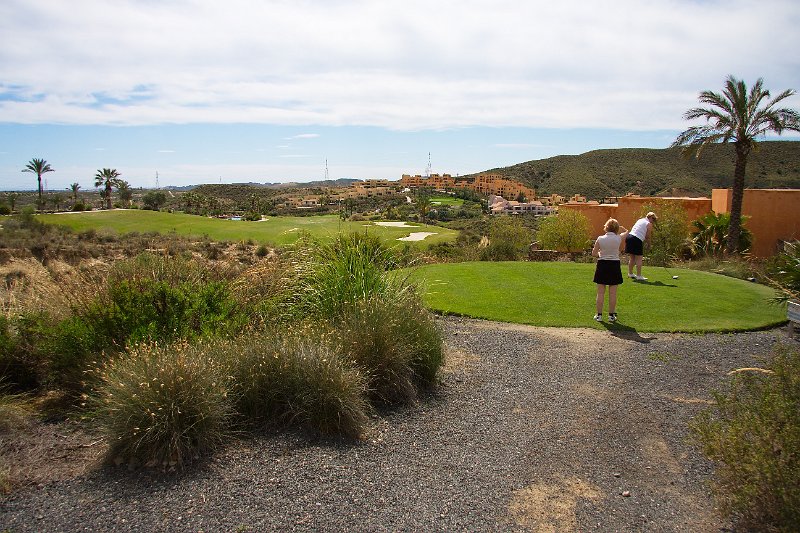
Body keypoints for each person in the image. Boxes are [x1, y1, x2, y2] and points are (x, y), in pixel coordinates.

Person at [592, 218, 628, 322]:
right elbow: (627, 232)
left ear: (606, 227)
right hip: (614, 265)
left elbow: (594, 253)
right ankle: (611, 315)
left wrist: (600, 253)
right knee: (613, 293)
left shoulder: (600, 238)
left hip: (602, 264)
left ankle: (599, 315)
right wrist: (622, 228)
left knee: (600, 293)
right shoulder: (618, 238)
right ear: (616, 228)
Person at [625, 211, 657, 281]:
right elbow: (648, 236)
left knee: (632, 257)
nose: (653, 221)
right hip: (636, 239)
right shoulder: (648, 223)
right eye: (653, 219)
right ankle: (639, 276)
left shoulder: (640, 220)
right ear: (650, 217)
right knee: (639, 258)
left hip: (629, 237)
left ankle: (630, 273)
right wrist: (649, 245)